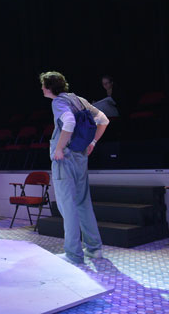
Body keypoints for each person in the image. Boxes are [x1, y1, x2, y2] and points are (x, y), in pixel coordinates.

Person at [40, 71, 109, 264]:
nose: (42, 88)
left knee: (67, 205)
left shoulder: (59, 102)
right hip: (80, 157)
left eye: (43, 85)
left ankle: (73, 254)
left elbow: (69, 121)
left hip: (66, 159)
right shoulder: (78, 99)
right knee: (83, 203)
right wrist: (93, 143)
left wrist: (60, 148)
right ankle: (94, 249)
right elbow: (103, 119)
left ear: (49, 87)